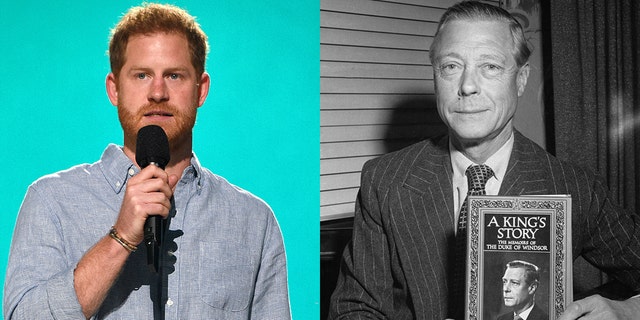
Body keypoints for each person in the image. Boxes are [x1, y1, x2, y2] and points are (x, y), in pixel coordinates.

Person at [329, 1, 640, 319]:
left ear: (520, 80)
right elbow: (354, 307)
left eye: (489, 66)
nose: (466, 86)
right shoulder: (385, 180)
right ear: (436, 77)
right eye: (451, 66)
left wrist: (628, 309)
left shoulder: (575, 187)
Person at [3, 3, 290, 319]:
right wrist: (120, 238)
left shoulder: (254, 220)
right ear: (115, 89)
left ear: (201, 90)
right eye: (141, 75)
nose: (157, 93)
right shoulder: (50, 201)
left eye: (174, 75)